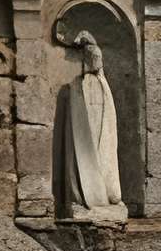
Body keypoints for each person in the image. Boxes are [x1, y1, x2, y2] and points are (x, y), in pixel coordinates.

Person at [53, 31, 127, 223]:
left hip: (100, 125)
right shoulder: (76, 86)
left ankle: (107, 194)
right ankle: (84, 194)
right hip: (85, 129)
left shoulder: (103, 85)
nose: (95, 62)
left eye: (97, 58)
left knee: (104, 157)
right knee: (83, 156)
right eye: (91, 57)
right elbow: (74, 124)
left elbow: (109, 118)